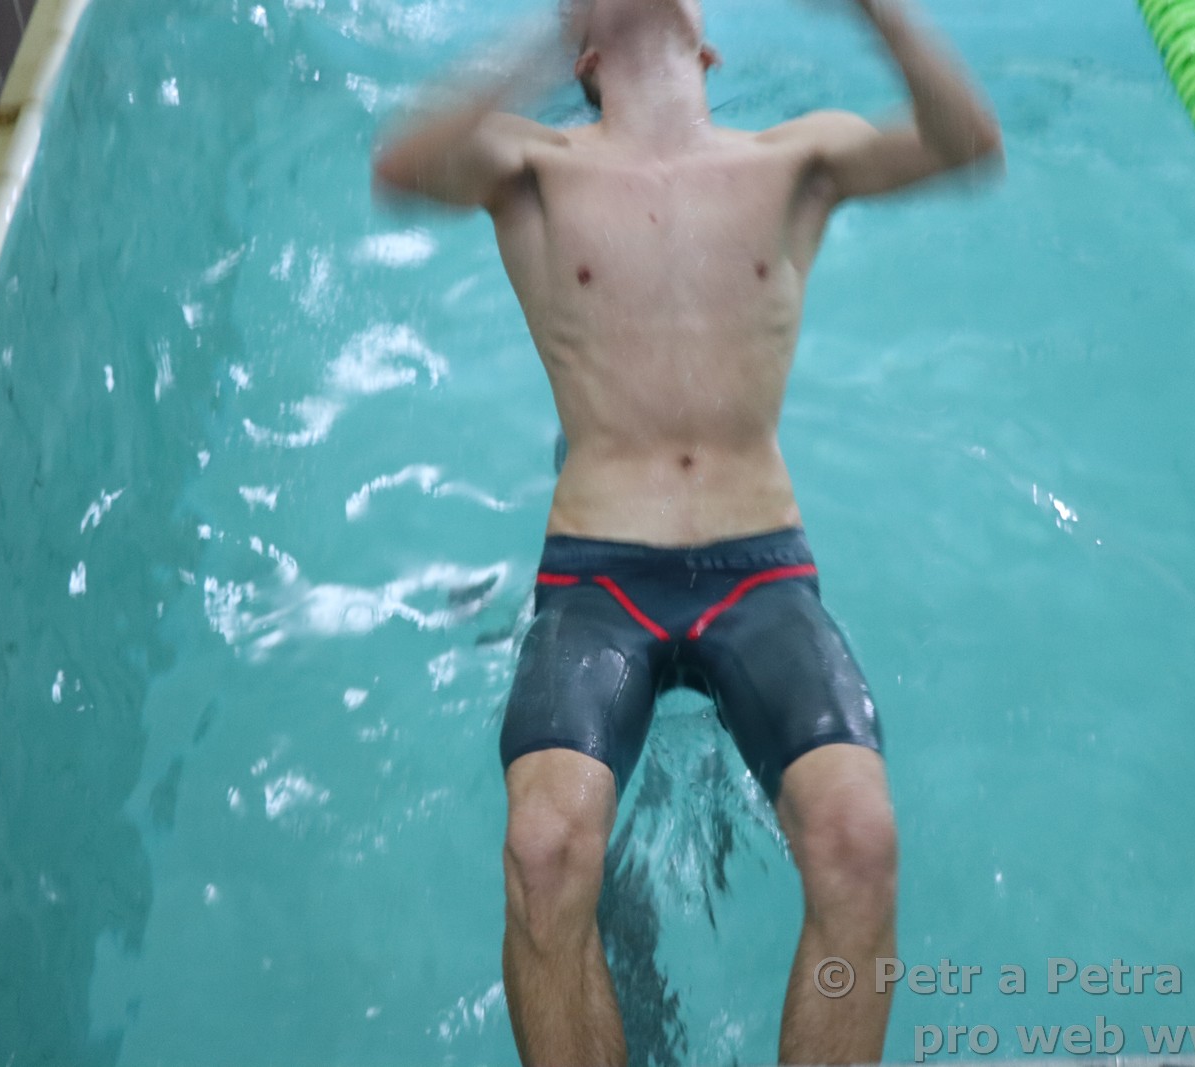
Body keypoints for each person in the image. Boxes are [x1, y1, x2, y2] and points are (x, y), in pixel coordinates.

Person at [372, 0, 1002, 1061]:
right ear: (584, 51)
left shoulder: (794, 158)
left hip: (760, 572)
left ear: (709, 46)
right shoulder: (533, 167)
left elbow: (964, 143)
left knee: (860, 839)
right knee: (542, 850)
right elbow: (404, 163)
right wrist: (541, 38)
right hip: (598, 579)